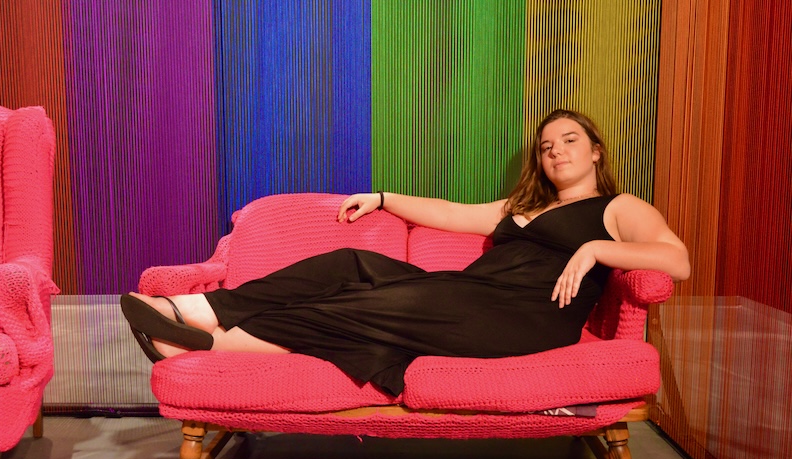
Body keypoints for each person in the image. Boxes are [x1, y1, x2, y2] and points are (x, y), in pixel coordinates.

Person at [121, 109, 690, 396]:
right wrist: (384, 197)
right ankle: (208, 313)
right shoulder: (522, 205)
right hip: (473, 299)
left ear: (595, 151)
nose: (556, 151)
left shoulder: (616, 207)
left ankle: (209, 342)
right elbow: (448, 212)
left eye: (569, 141)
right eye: (546, 146)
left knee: (367, 304)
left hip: (526, 318)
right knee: (351, 266)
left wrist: (595, 248)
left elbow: (676, 259)